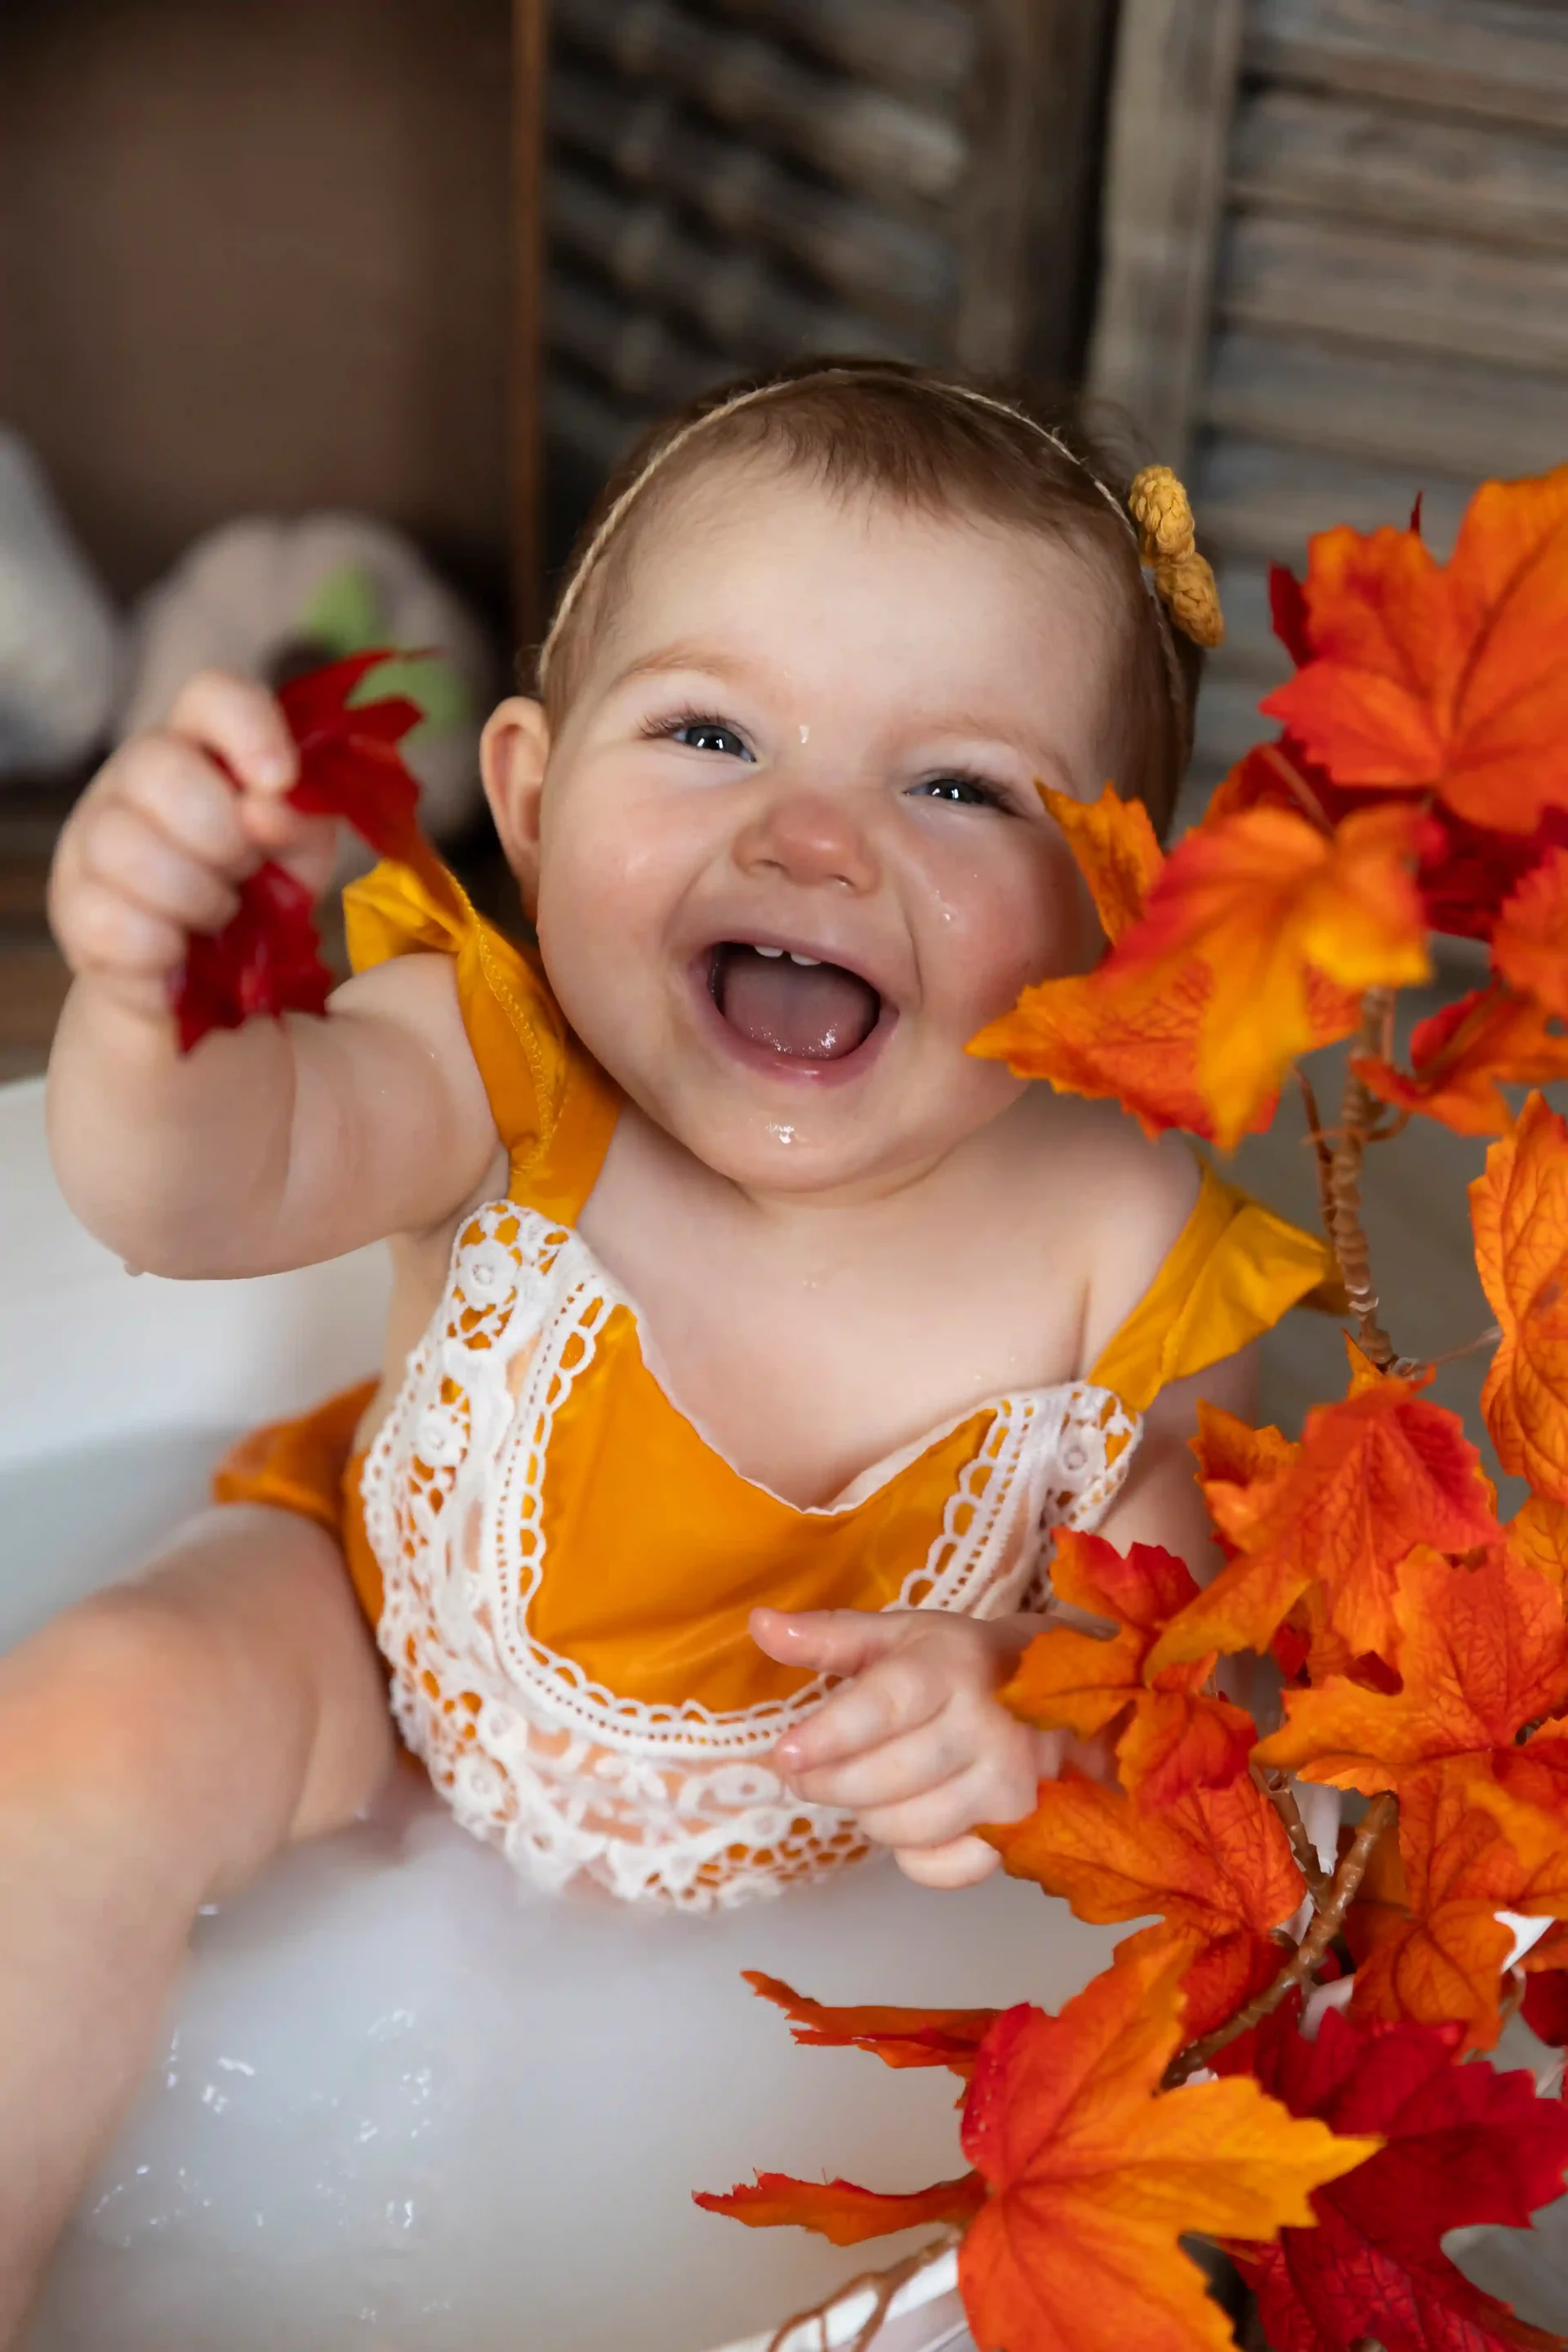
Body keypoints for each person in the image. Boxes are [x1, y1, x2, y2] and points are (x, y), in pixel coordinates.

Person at [10, 360, 1330, 2328]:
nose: (812, 840)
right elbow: (186, 1195)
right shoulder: (491, 1058)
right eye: (711, 731)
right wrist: (143, 999)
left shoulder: (1118, 1249)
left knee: (981, 2188)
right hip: (373, 1659)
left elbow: (1182, 1647)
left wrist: (1023, 1712)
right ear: (530, 805)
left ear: (1118, 920)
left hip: (814, 1890)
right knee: (87, 1728)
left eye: (957, 784)